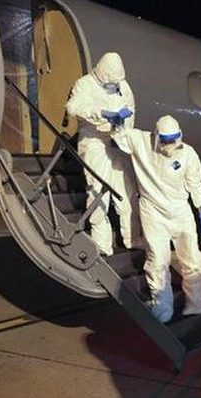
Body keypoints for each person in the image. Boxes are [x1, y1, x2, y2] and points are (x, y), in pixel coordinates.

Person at [112, 115, 201, 322]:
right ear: (156, 136)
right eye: (164, 140)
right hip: (153, 212)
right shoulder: (141, 142)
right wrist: (118, 123)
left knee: (191, 259)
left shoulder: (188, 154)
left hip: (181, 212)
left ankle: (197, 304)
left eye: (172, 140)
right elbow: (120, 137)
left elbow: (195, 184)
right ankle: (162, 309)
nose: (168, 145)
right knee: (157, 260)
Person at [65, 52, 140, 256]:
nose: (114, 85)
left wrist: (123, 128)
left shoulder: (123, 86)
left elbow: (131, 108)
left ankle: (132, 238)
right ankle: (102, 245)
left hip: (118, 141)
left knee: (127, 192)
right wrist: (102, 114)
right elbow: (73, 107)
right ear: (102, 74)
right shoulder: (85, 84)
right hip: (94, 141)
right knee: (98, 192)